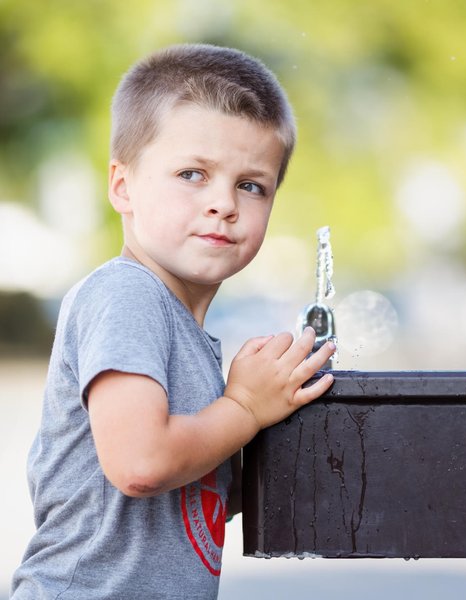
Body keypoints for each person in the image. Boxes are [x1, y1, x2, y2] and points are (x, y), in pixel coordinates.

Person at [10, 43, 336, 599]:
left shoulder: (183, 331)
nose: (223, 203)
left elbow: (191, 500)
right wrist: (243, 408)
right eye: (192, 174)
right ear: (123, 187)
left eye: (251, 185)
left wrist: (273, 419)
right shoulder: (126, 293)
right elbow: (141, 463)